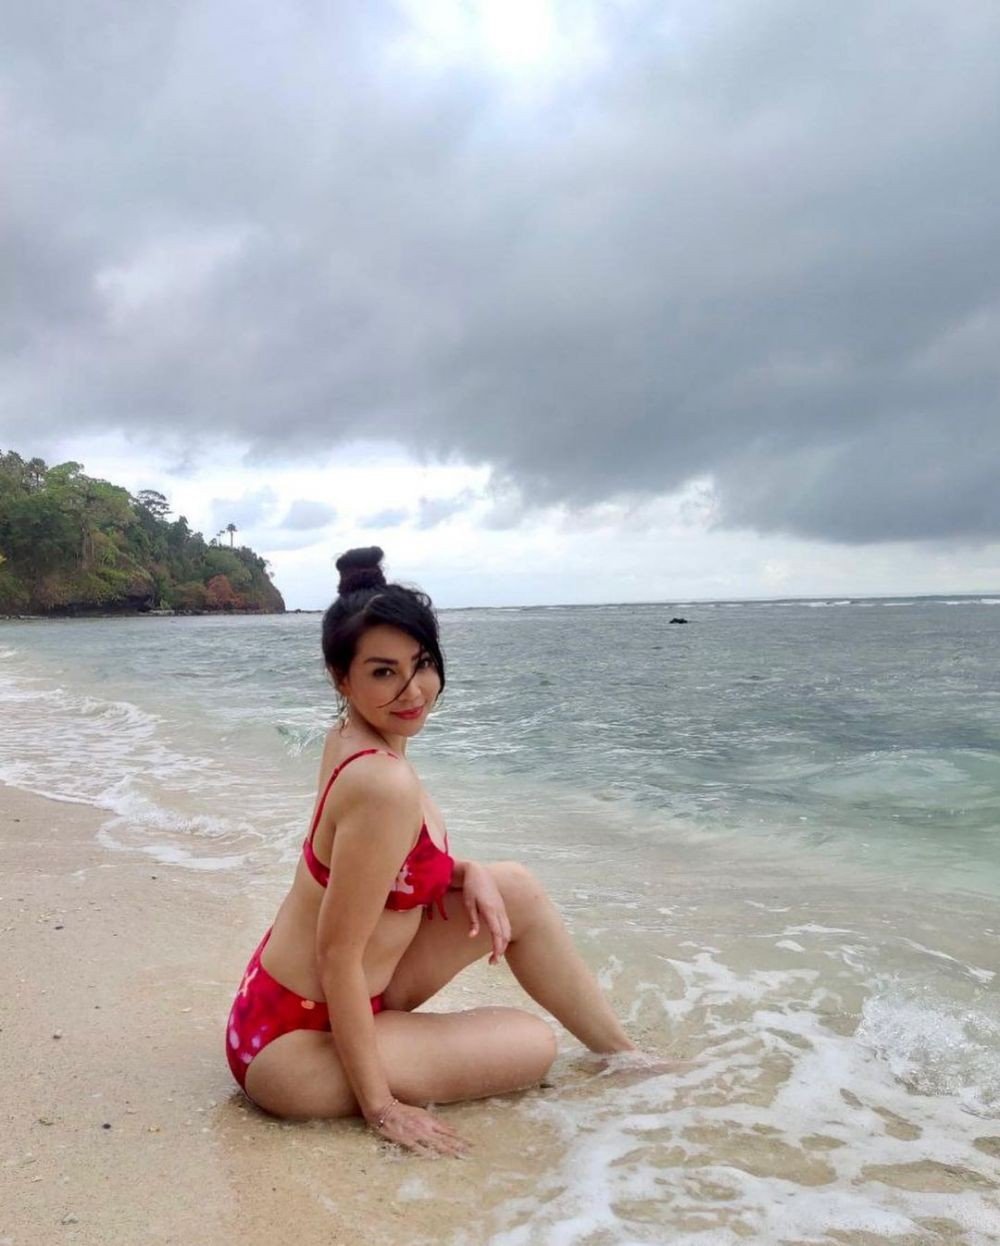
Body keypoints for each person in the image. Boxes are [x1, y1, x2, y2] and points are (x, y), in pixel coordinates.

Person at [225, 546, 638, 1156]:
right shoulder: (380, 781)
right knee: (533, 1044)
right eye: (383, 672)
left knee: (513, 886)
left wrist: (465, 871)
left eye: (421, 663)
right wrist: (382, 1108)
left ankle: (626, 1058)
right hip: (292, 1044)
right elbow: (337, 954)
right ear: (342, 678)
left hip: (310, 997)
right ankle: (385, 1070)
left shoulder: (354, 733)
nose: (413, 690)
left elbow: (373, 865)